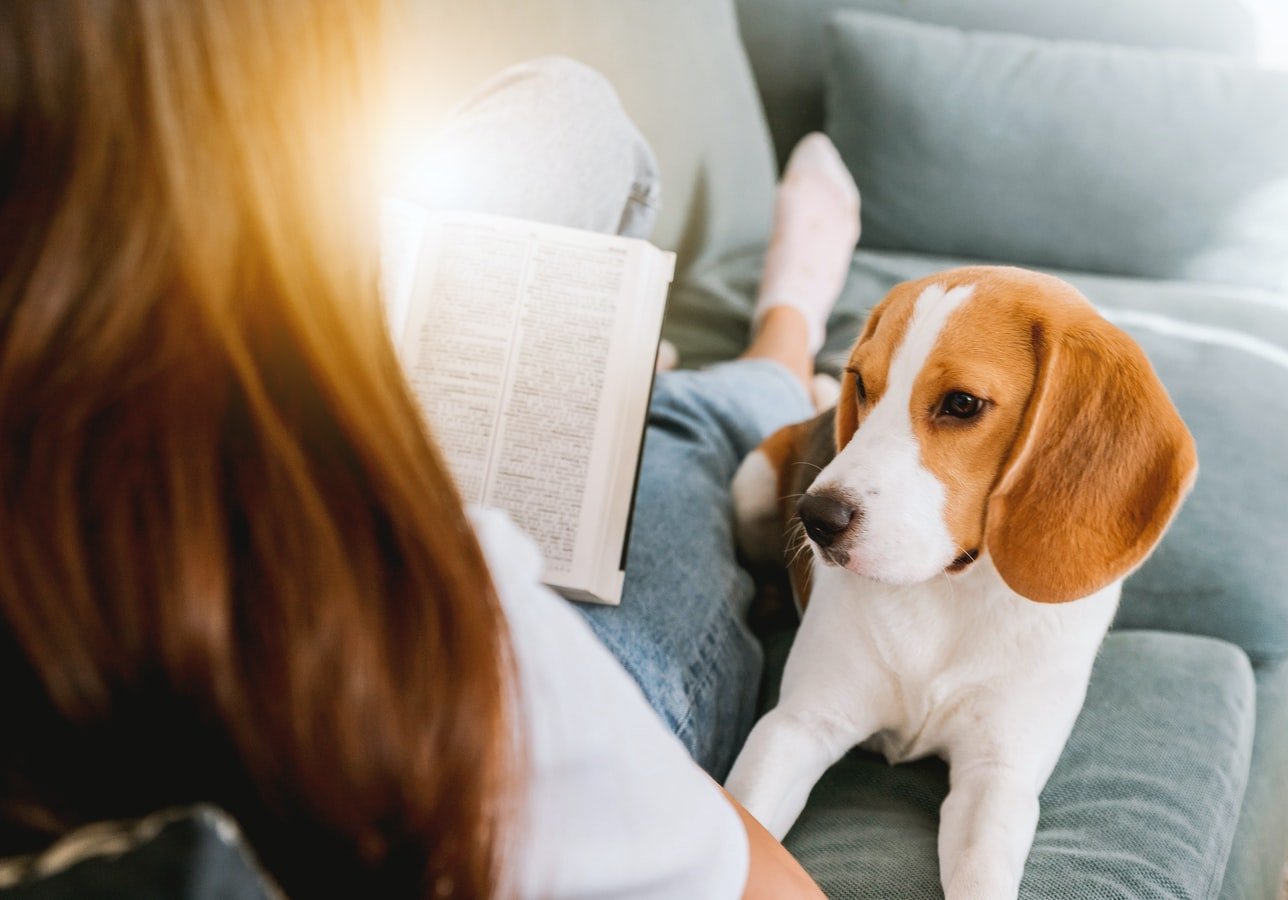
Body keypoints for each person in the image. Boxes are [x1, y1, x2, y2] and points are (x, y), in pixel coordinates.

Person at [0, 5, 857, 900]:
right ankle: (777, 346)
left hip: (193, 393)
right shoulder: (409, 651)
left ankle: (614, 367)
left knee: (567, 114)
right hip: (391, 574)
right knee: (680, 444)